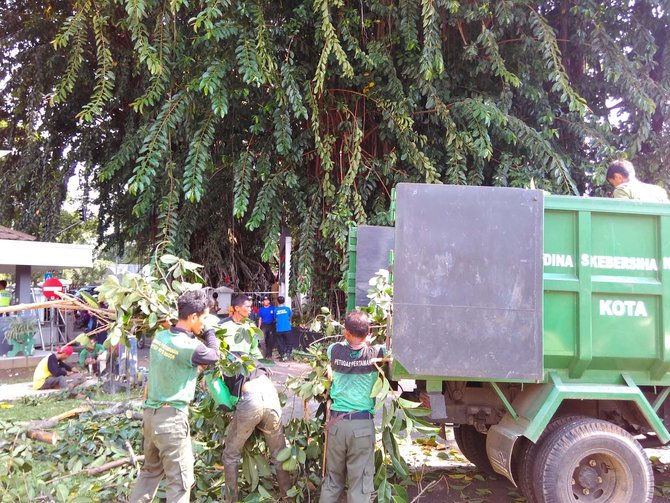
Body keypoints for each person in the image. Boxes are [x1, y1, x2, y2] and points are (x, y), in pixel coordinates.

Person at [128, 289, 220, 503]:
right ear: (193, 317)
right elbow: (214, 355)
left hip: (150, 418)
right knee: (179, 482)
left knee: (150, 473)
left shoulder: (160, 338)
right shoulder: (190, 347)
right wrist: (210, 333)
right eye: (204, 318)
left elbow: (176, 366)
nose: (204, 323)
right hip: (171, 421)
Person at [219, 294, 291, 503]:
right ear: (234, 308)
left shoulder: (249, 329)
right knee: (279, 451)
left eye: (251, 306)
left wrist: (230, 404)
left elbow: (222, 395)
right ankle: (288, 496)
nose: (250, 309)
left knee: (231, 454)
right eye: (246, 306)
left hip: (250, 397)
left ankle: (231, 499)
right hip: (270, 395)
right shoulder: (222, 329)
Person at [320, 310, 386, 503]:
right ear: (369, 332)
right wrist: (367, 343)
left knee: (332, 480)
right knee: (360, 484)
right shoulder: (377, 353)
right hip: (361, 426)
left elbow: (345, 348)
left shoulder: (333, 350)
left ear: (346, 333)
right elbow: (386, 353)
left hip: (336, 425)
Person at [274, 296, 292, 361]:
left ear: (277, 302)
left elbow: (275, 318)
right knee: (289, 342)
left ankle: (282, 356)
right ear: (284, 301)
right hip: (287, 328)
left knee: (280, 343)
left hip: (279, 329)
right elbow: (290, 317)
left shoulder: (275, 310)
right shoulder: (287, 309)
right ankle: (288, 355)